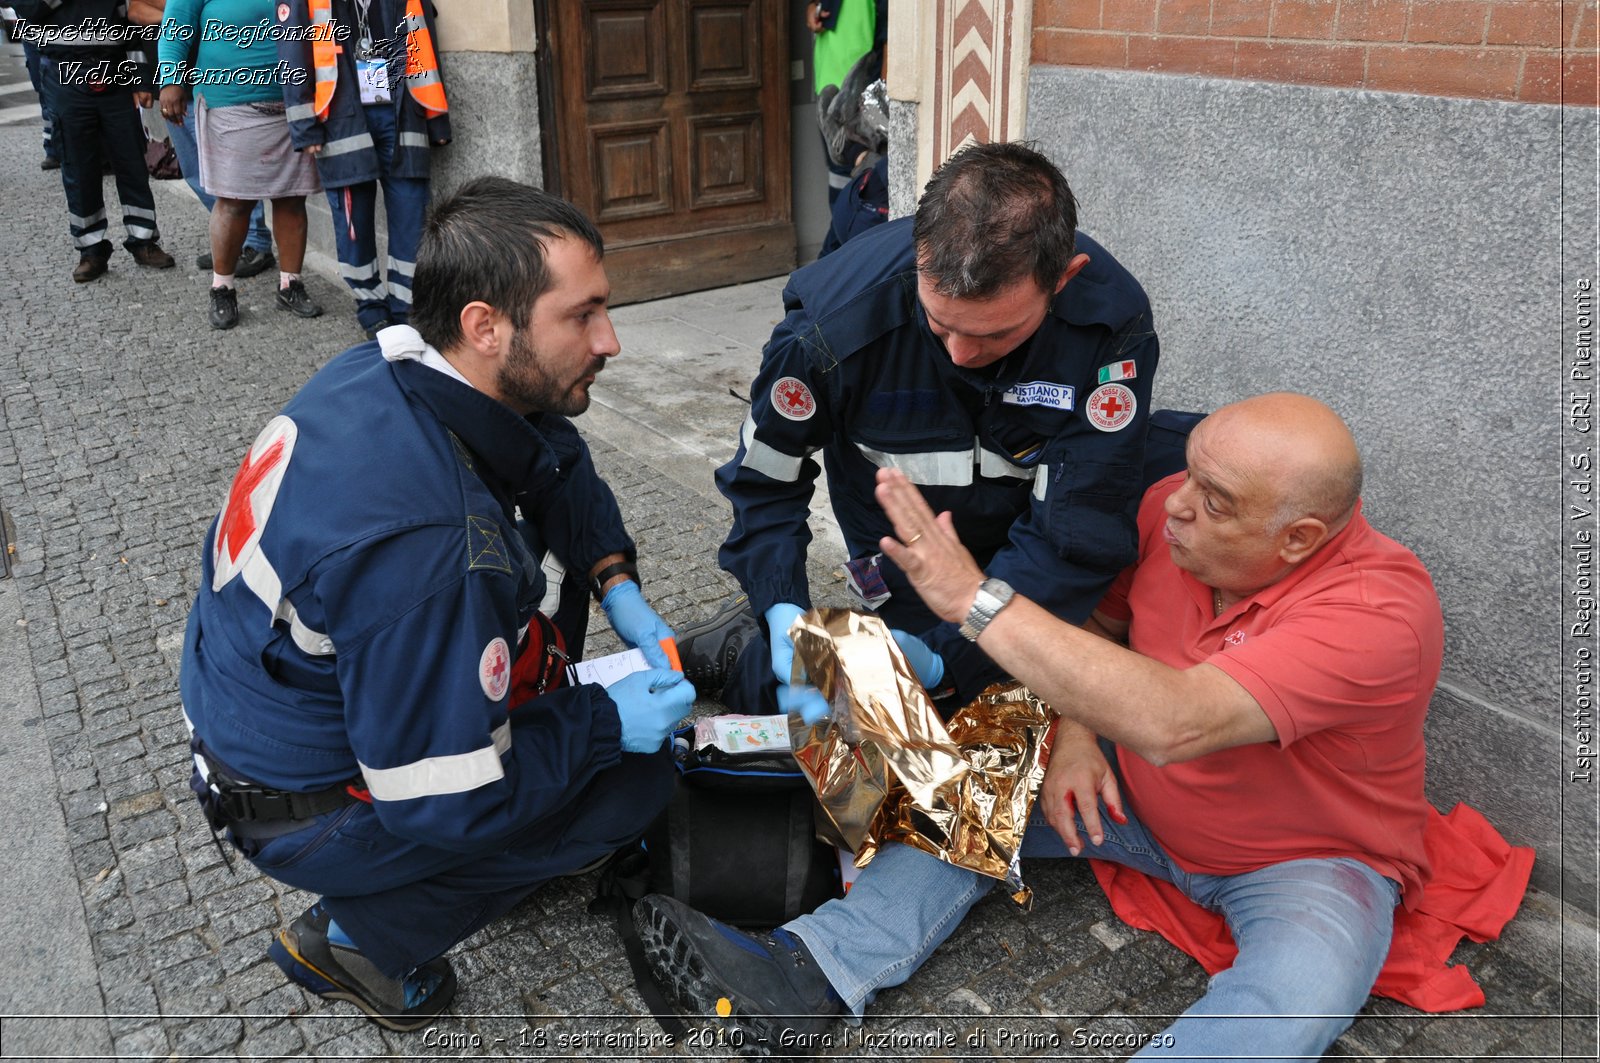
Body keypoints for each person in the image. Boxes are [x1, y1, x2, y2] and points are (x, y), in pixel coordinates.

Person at [638, 393, 1464, 1060]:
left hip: (1303, 857)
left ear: (1300, 540)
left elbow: (1180, 721)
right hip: (1129, 790)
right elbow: (1101, 633)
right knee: (964, 765)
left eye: (1212, 503)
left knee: (1300, 994)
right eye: (1188, 476)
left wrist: (973, 601)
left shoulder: (1380, 613)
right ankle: (807, 972)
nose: (1175, 506)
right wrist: (1070, 734)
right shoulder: (1164, 515)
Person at [178, 177, 696, 1030]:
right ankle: (354, 940)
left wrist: (615, 579)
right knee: (633, 782)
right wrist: (603, 726)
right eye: (583, 315)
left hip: (258, 710)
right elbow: (448, 801)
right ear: (486, 324)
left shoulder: (399, 364)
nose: (611, 339)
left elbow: (549, 450)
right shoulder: (432, 549)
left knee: (550, 714)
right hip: (296, 799)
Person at [679, 140, 1159, 725]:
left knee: (991, 700)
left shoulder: (1109, 328)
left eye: (996, 334)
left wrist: (957, 654)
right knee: (872, 709)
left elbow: (1076, 525)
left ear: (1063, 279)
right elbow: (766, 477)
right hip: (901, 556)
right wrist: (781, 603)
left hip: (1033, 553)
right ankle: (744, 653)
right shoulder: (831, 330)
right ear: (919, 253)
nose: (960, 354)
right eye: (940, 323)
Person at [280, 0, 452, 339]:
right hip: (341, 115)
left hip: (404, 110)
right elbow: (292, 50)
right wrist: (304, 125)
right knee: (353, 220)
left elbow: (424, 40)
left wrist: (438, 121)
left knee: (411, 213)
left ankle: (406, 308)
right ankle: (371, 306)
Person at [157, 0, 322, 329]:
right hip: (230, 102)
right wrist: (171, 80)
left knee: (292, 198)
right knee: (234, 201)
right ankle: (223, 287)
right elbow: (176, 25)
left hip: (295, 100)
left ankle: (291, 285)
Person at [14, 0, 178, 281]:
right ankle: (91, 250)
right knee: (78, 167)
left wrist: (140, 79)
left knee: (131, 160)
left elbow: (130, 27)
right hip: (64, 74)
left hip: (114, 75)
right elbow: (27, 10)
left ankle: (144, 241)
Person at [127, 0, 276, 277]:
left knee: (230, 173)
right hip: (170, 82)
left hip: (211, 81)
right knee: (195, 170)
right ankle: (234, 242)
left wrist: (188, 14)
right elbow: (135, 10)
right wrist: (187, 15)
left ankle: (255, 243)